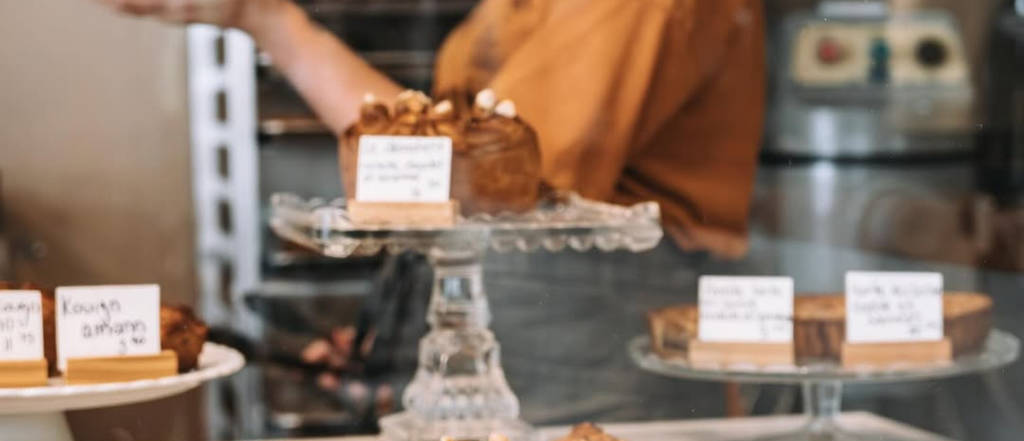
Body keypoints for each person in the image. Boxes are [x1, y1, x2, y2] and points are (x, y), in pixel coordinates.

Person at [95, 0, 764, 257]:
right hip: (516, 342)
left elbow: (484, 186)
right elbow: (446, 160)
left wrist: (272, 24)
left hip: (595, 369)